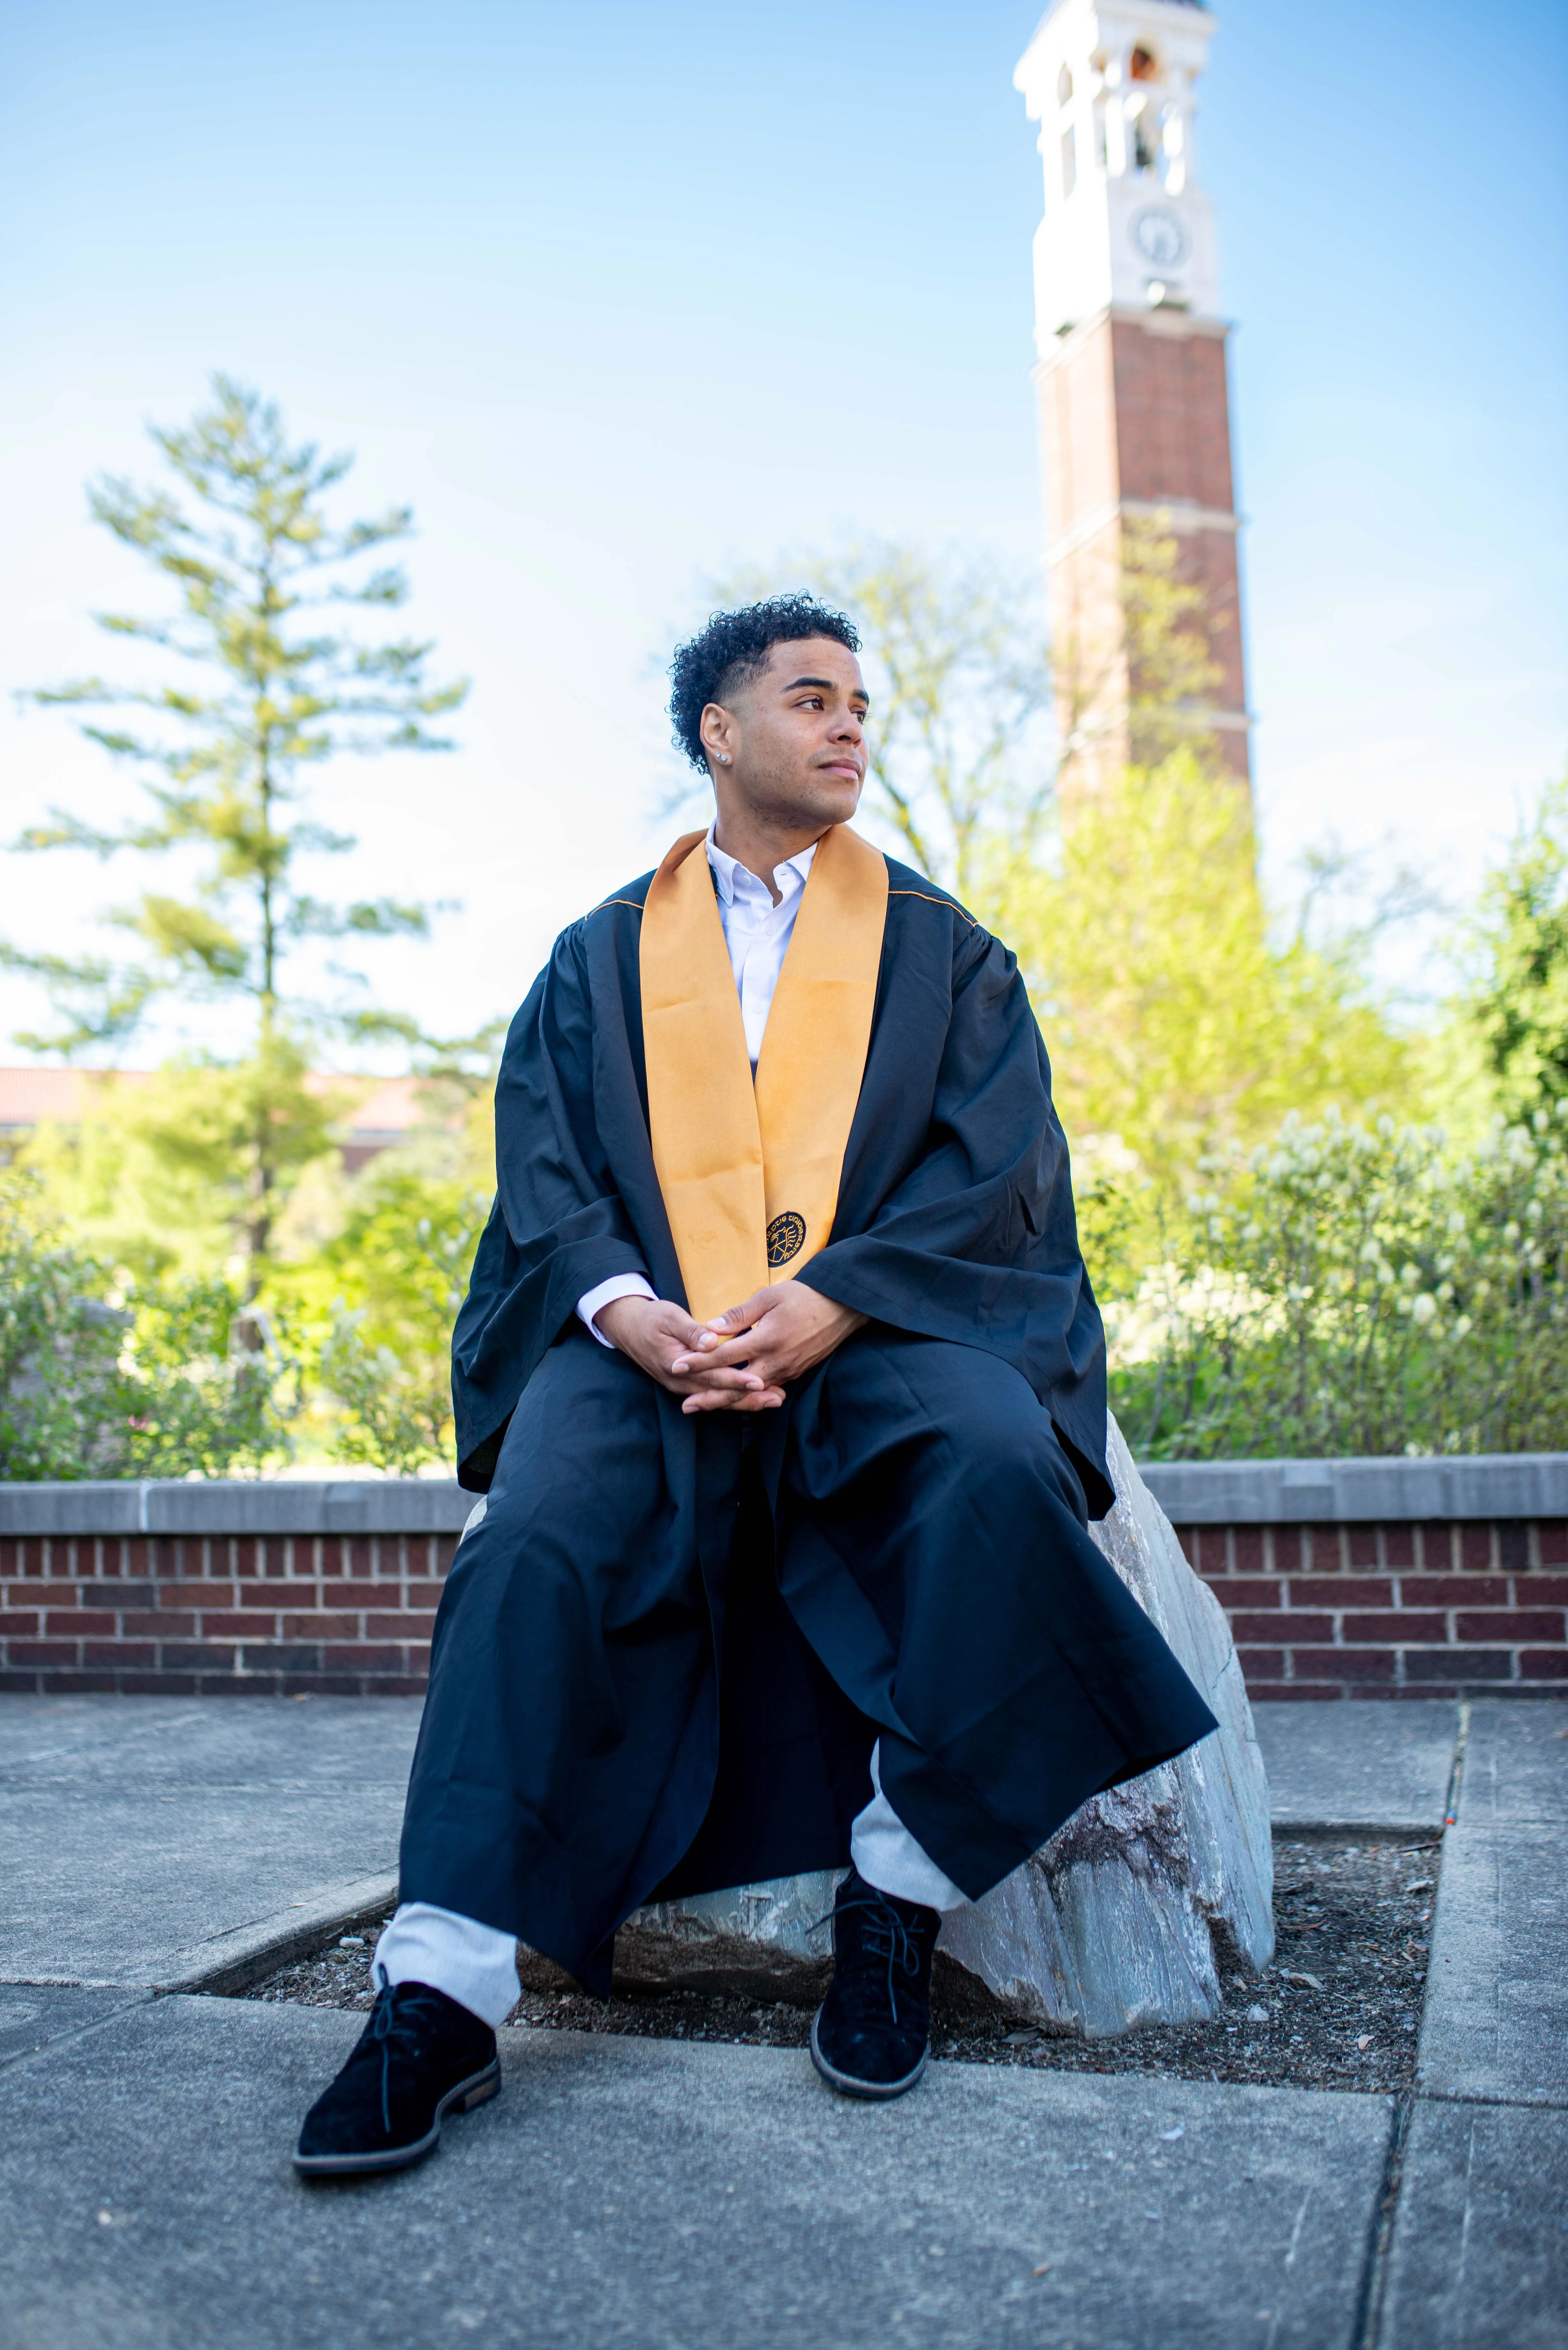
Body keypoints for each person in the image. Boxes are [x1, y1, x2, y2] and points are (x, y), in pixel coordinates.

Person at [293, 596, 1217, 2177]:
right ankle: (441, 1989)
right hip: (650, 1345)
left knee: (995, 1459)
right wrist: (624, 1309)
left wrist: (839, 1297)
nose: (851, 724)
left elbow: (993, 1175)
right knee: (532, 1537)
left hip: (879, 1331)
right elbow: (544, 1173)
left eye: (861, 701)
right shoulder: (599, 957)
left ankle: (897, 1888)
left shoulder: (940, 949)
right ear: (718, 733)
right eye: (812, 699)